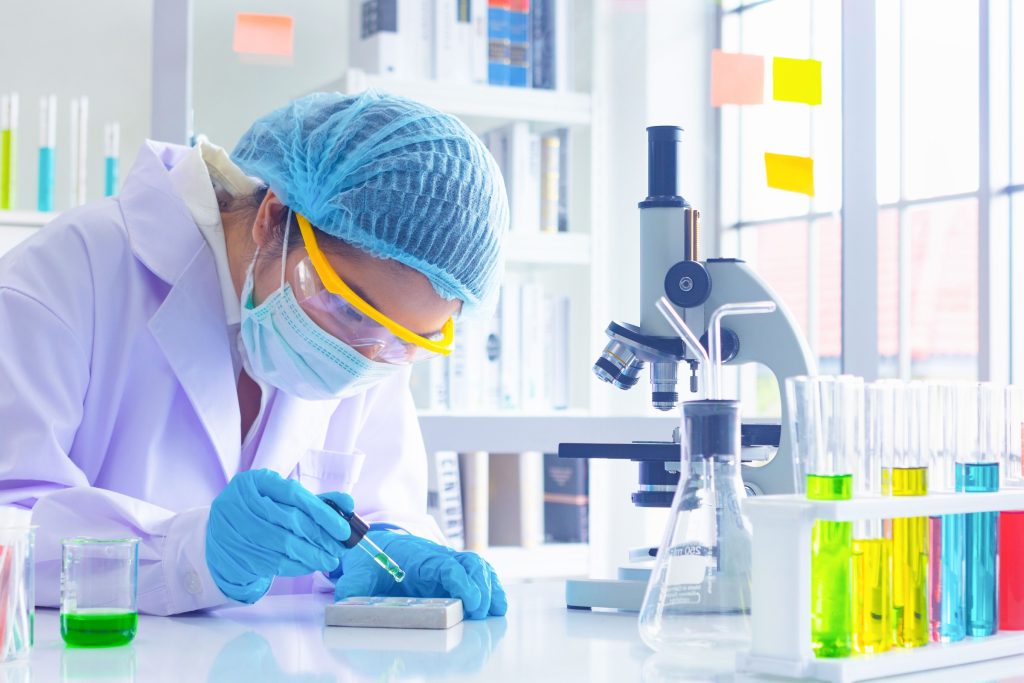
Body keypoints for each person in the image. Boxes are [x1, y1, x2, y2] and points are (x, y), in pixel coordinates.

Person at [0, 91, 509, 618]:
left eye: (406, 341)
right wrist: (190, 554)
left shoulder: (378, 343)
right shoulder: (68, 273)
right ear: (272, 218)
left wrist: (388, 547)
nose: (361, 358)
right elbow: (8, 530)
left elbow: (384, 506)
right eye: (348, 309)